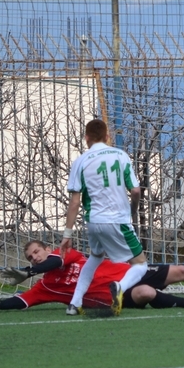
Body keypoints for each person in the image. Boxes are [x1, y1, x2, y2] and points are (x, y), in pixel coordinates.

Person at [0, 239, 184, 312]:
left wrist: (27, 271)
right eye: (30, 257)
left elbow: (54, 262)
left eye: (37, 252)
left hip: (130, 273)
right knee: (146, 294)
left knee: (181, 270)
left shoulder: (64, 254)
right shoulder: (46, 287)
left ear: (47, 249)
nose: (35, 257)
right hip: (116, 295)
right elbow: (22, 301)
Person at [60, 119, 148, 316]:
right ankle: (120, 287)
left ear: (86, 138)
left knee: (95, 256)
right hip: (117, 220)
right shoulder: (120, 155)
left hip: (93, 221)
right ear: (107, 136)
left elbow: (74, 202)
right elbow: (135, 191)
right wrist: (132, 211)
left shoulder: (80, 161)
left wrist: (67, 234)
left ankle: (74, 304)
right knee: (141, 264)